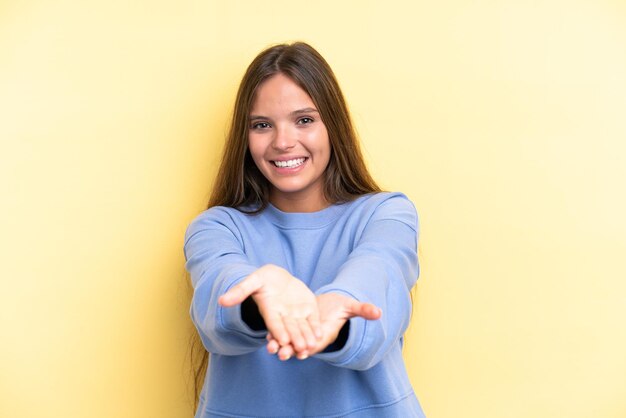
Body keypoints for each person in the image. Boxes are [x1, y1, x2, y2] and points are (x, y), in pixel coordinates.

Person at [183, 41, 426, 417]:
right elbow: (219, 292)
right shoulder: (216, 227)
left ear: (333, 126)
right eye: (262, 125)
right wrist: (260, 298)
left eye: (304, 120)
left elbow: (380, 268)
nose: (283, 142)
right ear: (245, 138)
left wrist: (337, 306)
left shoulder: (386, 213)